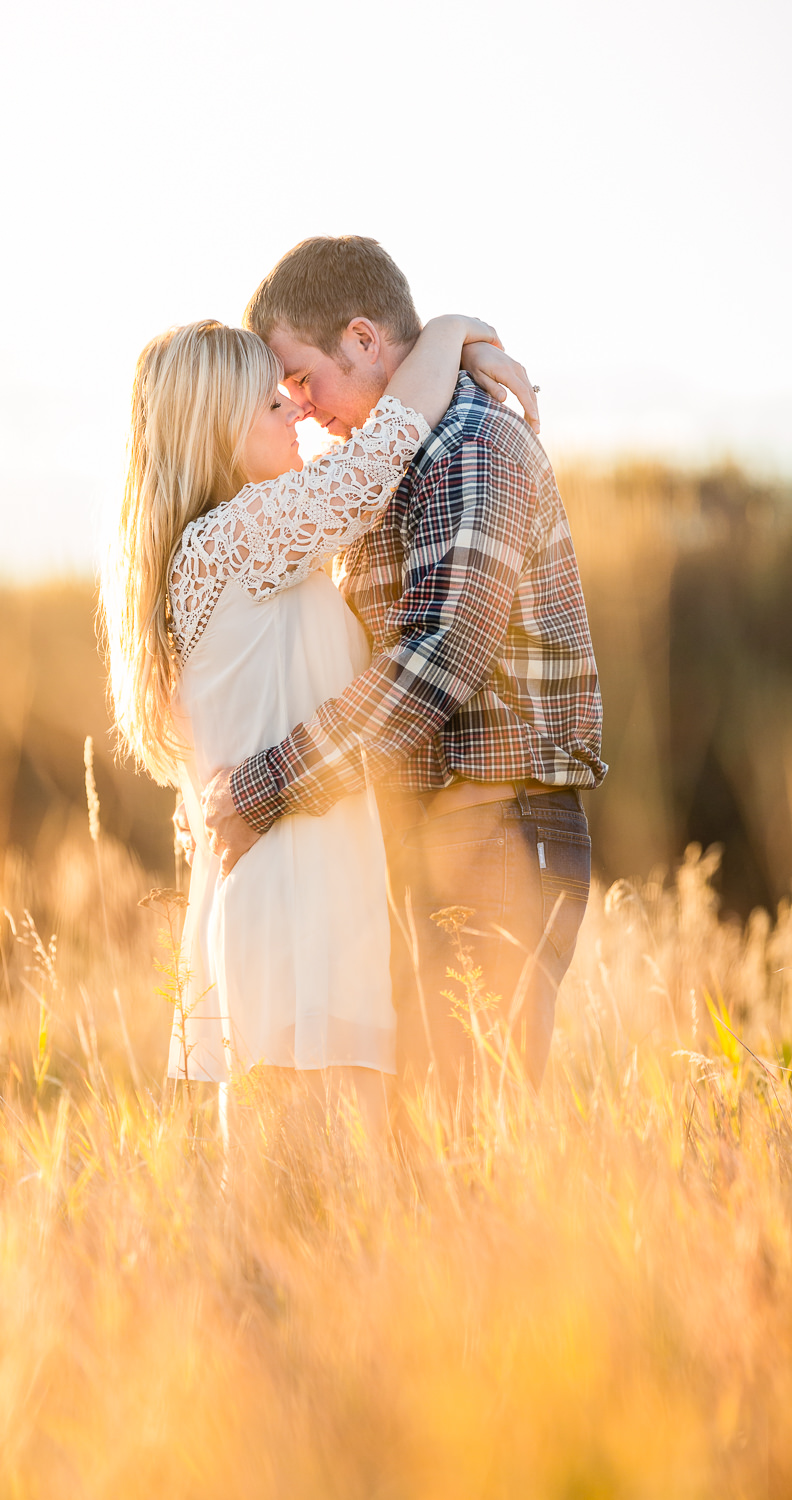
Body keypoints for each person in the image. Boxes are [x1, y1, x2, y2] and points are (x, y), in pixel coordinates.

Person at [202, 236, 606, 1106]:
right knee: (422, 1163)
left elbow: (435, 664)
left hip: (494, 832)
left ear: (362, 339)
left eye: (302, 377)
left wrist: (264, 786)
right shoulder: (388, 466)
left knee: (468, 1143)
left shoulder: (467, 445)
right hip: (435, 840)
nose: (301, 411)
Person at [102, 312, 527, 1129]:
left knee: (321, 1221)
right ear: (214, 433)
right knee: (310, 1207)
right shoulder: (230, 542)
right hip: (291, 898)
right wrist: (447, 334)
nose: (297, 411)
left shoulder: (249, 549)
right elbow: (381, 452)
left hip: (310, 892)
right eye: (271, 405)